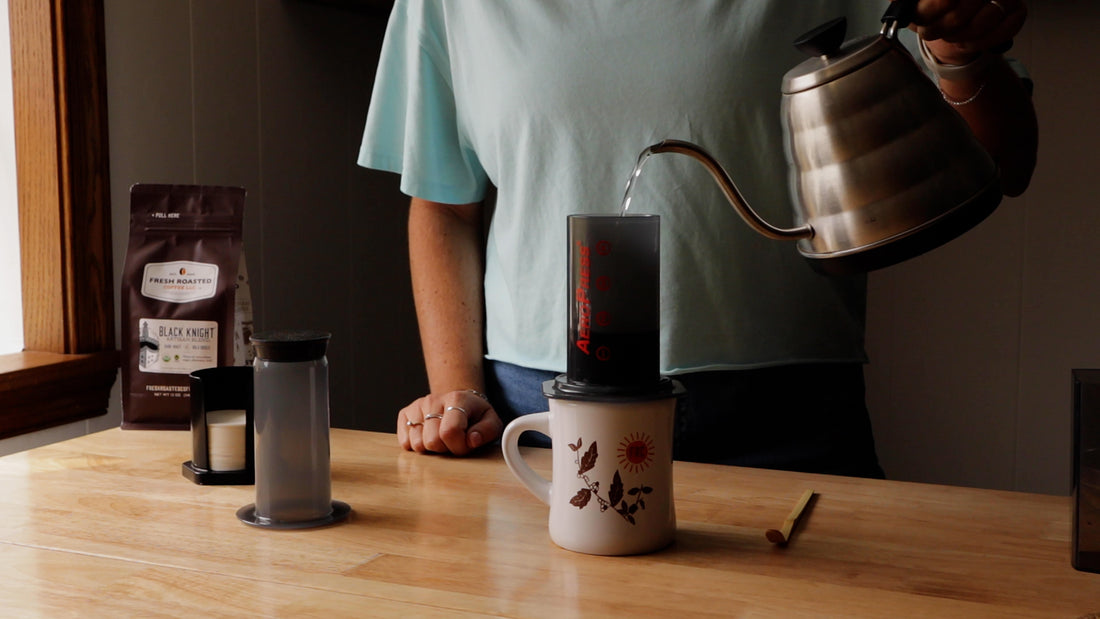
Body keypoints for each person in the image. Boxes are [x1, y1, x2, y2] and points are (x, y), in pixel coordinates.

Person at [358, 0, 1037, 477]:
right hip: (539, 426)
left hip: (788, 420)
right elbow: (445, 204)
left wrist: (963, 54)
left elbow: (1004, 160)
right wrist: (455, 390)